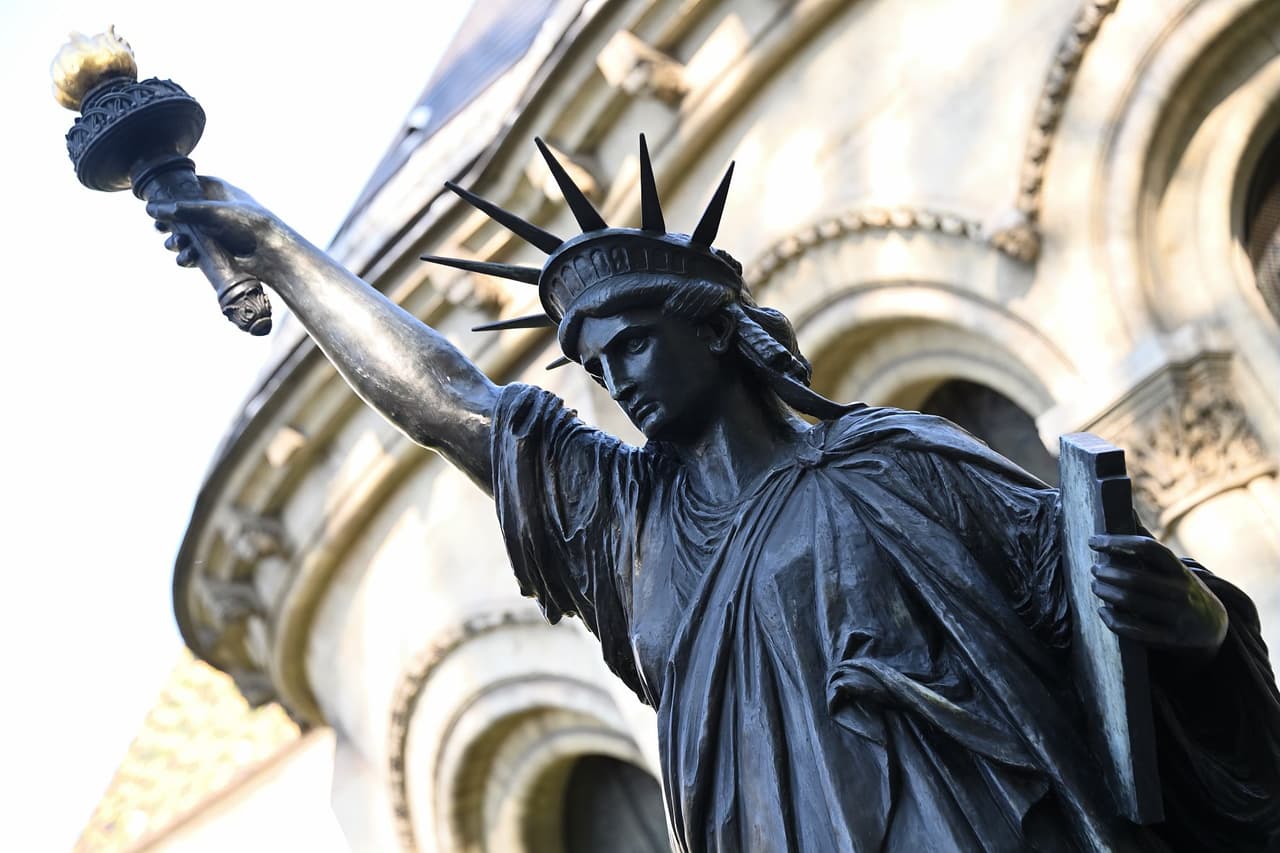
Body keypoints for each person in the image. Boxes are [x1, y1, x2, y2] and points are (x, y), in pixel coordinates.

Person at [147, 137, 1280, 852]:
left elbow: (1107, 620)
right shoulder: (629, 527)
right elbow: (455, 403)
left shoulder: (894, 460)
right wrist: (271, 246)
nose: (618, 381)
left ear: (712, 330)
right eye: (595, 366)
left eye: (634, 345)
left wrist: (1186, 615)